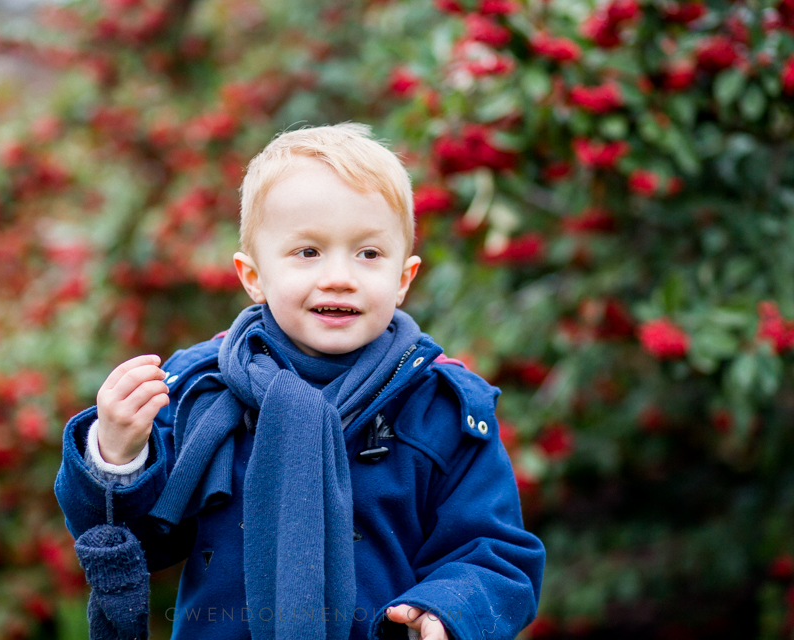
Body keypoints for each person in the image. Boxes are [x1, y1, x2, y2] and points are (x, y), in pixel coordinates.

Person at [55, 123, 545, 640]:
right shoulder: (203, 391)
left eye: (369, 254)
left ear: (403, 279)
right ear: (254, 277)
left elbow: (495, 553)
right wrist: (116, 453)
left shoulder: (439, 408)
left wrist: (447, 611)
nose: (339, 276)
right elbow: (136, 542)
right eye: (308, 252)